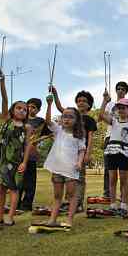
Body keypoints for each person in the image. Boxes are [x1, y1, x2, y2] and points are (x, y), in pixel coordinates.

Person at [0, 69, 32, 227]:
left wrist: (24, 162)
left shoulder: (27, 127)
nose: (22, 110)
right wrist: (2, 83)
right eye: (19, 108)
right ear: (12, 110)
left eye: (25, 109)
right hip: (1, 159)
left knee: (13, 189)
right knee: (0, 189)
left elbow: (27, 145)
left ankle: (10, 216)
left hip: (15, 162)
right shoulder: (6, 120)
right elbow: (4, 99)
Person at [51, 87, 97, 211]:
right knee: (67, 176)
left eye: (84, 101)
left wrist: (88, 154)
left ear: (89, 105)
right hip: (68, 153)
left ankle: (78, 203)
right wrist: (55, 93)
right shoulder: (72, 117)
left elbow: (90, 137)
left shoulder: (90, 120)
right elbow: (60, 107)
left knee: (79, 178)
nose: (81, 103)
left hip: (80, 153)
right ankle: (69, 201)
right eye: (79, 100)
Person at [43, 95, 86, 227]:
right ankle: (52, 219)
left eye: (70, 117)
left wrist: (79, 162)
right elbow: (48, 121)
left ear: (76, 120)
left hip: (71, 170)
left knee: (71, 195)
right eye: (64, 116)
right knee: (57, 196)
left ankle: (69, 220)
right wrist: (50, 104)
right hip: (57, 169)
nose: (67, 119)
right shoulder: (58, 130)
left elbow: (81, 151)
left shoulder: (79, 136)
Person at [99, 93, 128, 215]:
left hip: (124, 152)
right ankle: (113, 204)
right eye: (119, 108)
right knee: (112, 178)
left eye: (123, 108)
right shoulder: (113, 121)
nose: (121, 110)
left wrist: (126, 143)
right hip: (111, 151)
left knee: (124, 178)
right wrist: (105, 101)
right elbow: (101, 115)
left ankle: (124, 204)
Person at [17, 98, 50, 211]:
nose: (30, 109)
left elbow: (50, 133)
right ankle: (16, 203)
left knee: (30, 181)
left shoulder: (41, 122)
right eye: (29, 106)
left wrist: (37, 140)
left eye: (34, 107)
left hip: (31, 154)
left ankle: (27, 204)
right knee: (18, 179)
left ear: (38, 110)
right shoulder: (21, 119)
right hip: (18, 154)